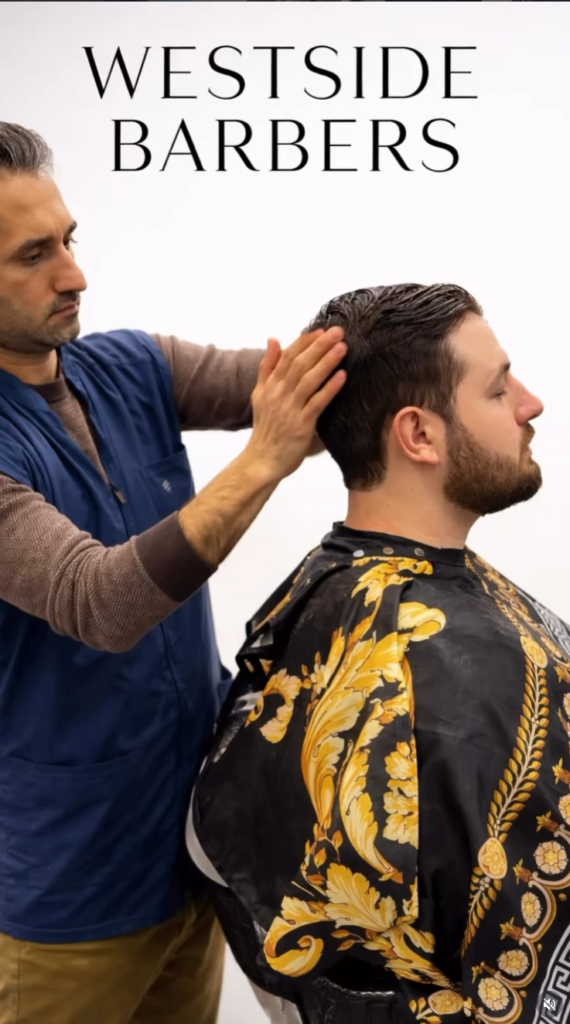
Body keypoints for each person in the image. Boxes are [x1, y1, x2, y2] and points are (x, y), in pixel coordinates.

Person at [0, 121, 347, 1024]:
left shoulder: (130, 367)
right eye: (33, 255)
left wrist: (415, 339)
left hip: (194, 856)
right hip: (71, 897)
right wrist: (264, 459)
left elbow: (292, 388)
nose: (74, 273)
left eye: (69, 239)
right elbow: (100, 601)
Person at [189, 283, 570, 1024]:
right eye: (498, 390)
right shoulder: (451, 685)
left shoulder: (320, 592)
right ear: (418, 435)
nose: (531, 404)